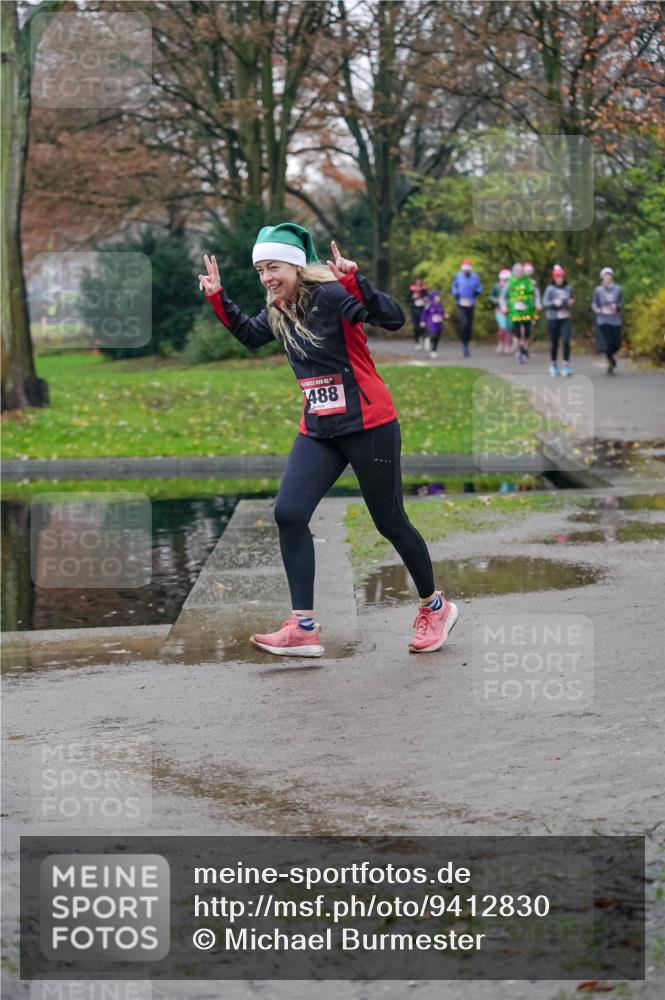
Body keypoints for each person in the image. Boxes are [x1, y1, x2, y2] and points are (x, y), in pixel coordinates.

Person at [198, 222, 459, 656]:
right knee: (288, 513)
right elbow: (249, 335)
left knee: (390, 521)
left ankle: (435, 607)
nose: (267, 278)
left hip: (369, 424)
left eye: (274, 267)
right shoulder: (280, 309)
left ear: (297, 266)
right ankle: (302, 628)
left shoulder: (331, 296)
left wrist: (356, 283)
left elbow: (393, 318)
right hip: (320, 429)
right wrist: (217, 297)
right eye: (261, 270)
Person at [501, 262, 537, 363]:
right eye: (517, 271)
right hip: (515, 312)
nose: (519, 273)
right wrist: (504, 308)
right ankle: (519, 351)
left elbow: (535, 294)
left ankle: (524, 348)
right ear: (513, 272)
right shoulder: (510, 283)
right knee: (517, 333)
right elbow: (502, 297)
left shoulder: (529, 282)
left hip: (527, 312)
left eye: (521, 271)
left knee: (527, 332)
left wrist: (537, 304)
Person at [542, 264, 574, 377]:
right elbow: (544, 303)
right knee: (554, 342)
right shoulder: (550, 289)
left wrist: (570, 303)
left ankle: (566, 365)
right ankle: (553, 364)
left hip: (565, 318)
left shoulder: (568, 288)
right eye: (558, 277)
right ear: (554, 278)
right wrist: (554, 303)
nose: (560, 279)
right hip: (553, 318)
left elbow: (571, 300)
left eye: (562, 277)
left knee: (566, 340)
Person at [592, 267, 623, 374]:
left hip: (615, 320)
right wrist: (598, 310)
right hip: (603, 320)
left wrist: (616, 307)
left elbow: (621, 303)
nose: (608, 278)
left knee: (617, 344)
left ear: (612, 278)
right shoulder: (598, 290)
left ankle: (611, 358)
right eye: (606, 276)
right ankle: (610, 361)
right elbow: (594, 304)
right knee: (609, 342)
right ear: (602, 278)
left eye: (609, 276)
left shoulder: (618, 289)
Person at [451, 259, 482, 357]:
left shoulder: (475, 277)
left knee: (469, 325)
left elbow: (479, 288)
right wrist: (456, 294)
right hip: (461, 303)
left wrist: (476, 293)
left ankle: (467, 343)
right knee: (464, 323)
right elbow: (454, 287)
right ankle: (464, 344)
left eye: (467, 270)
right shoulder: (458, 276)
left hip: (471, 303)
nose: (466, 271)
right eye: (465, 270)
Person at [489, 268, 513, 353]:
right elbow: (491, 296)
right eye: (504, 279)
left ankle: (508, 344)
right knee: (502, 327)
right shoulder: (496, 286)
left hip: (510, 310)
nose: (505, 281)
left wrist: (509, 303)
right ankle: (501, 343)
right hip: (500, 310)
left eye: (507, 279)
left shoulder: (512, 287)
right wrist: (497, 301)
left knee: (509, 328)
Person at [420, 290, 446, 358]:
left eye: (439, 296)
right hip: (431, 324)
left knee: (437, 338)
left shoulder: (440, 305)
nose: (438, 298)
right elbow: (424, 313)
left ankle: (434, 350)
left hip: (439, 325)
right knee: (433, 336)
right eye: (437, 296)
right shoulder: (429, 305)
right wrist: (423, 321)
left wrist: (445, 316)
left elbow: (442, 314)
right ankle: (427, 339)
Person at [408, 276, 429, 351]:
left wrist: (424, 298)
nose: (418, 282)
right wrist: (412, 297)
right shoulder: (411, 289)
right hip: (414, 310)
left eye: (419, 280)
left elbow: (427, 298)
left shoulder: (424, 289)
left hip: (422, 310)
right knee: (415, 327)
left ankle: (424, 338)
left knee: (423, 326)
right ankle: (417, 342)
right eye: (417, 280)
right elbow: (408, 299)